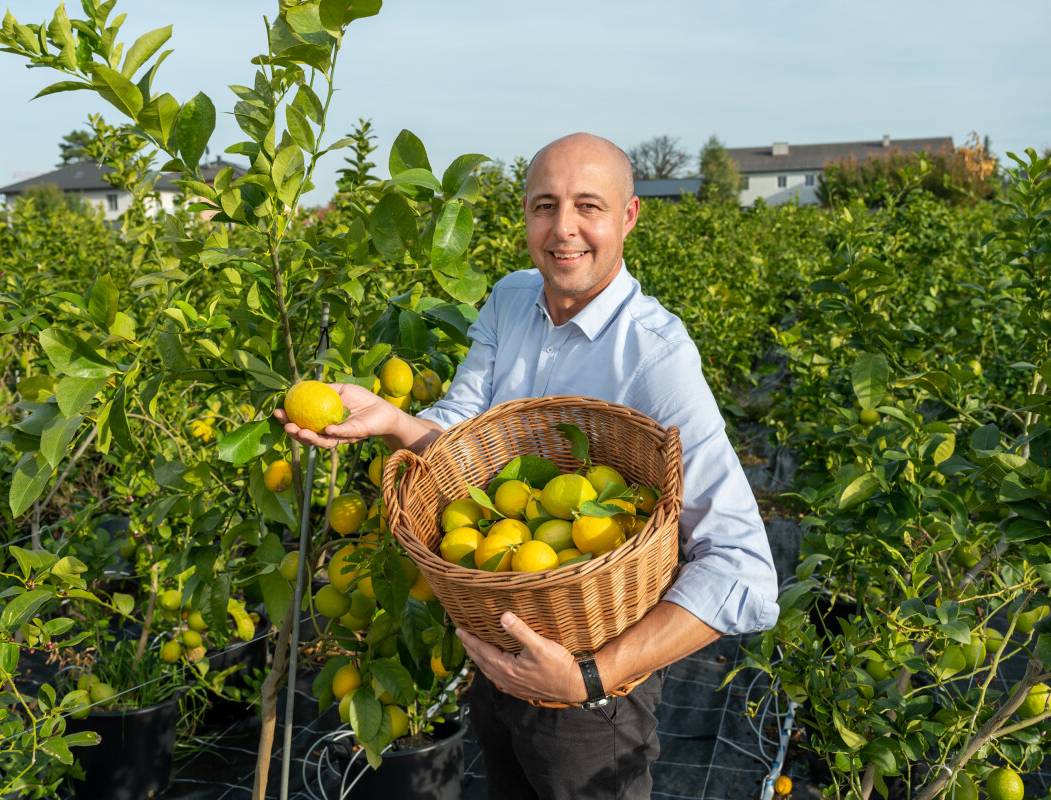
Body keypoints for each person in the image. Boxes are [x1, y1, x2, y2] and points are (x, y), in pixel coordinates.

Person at [276, 132, 779, 799]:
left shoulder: (653, 355)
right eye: (545, 205)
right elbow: (459, 437)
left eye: (588, 206)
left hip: (593, 696)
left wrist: (589, 676)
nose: (563, 228)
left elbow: (744, 569)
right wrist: (393, 423)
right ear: (524, 215)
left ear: (628, 217)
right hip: (495, 645)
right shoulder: (512, 300)